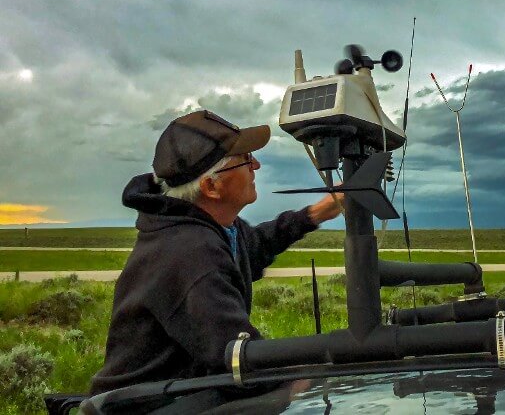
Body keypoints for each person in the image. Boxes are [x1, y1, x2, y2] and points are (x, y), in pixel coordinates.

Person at [90, 110, 342, 395]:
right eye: (246, 159)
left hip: (186, 391)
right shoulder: (191, 254)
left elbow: (254, 245)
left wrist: (318, 212)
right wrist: (315, 379)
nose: (256, 165)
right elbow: (237, 360)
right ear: (212, 186)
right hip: (150, 404)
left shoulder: (212, 229)